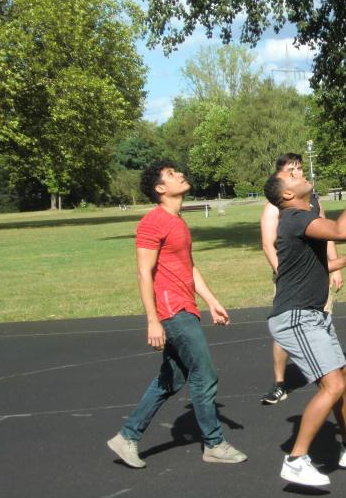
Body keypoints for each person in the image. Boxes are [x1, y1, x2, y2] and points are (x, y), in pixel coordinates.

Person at [106, 161, 247, 469]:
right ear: (160, 189)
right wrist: (153, 320)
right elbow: (144, 272)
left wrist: (211, 301)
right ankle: (214, 443)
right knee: (205, 374)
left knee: (172, 380)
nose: (180, 174)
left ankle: (127, 436)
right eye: (171, 174)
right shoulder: (153, 222)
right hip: (172, 310)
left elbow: (189, 267)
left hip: (186, 306)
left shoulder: (177, 221)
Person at [264, 158, 346, 487]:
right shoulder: (292, 218)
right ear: (287, 196)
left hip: (313, 314)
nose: (299, 174)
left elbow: (307, 268)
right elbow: (344, 230)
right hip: (295, 318)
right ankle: (296, 459)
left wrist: (344, 262)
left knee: (344, 379)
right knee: (332, 384)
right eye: (291, 176)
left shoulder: (303, 219)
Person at [259, 153, 343, 405]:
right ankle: (280, 382)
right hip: (291, 277)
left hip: (317, 273)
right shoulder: (276, 206)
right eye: (291, 170)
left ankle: (327, 367)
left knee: (321, 320)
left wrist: (336, 266)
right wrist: (281, 270)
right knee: (288, 324)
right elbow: (267, 243)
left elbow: (327, 233)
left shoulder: (313, 201)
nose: (297, 172)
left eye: (299, 168)